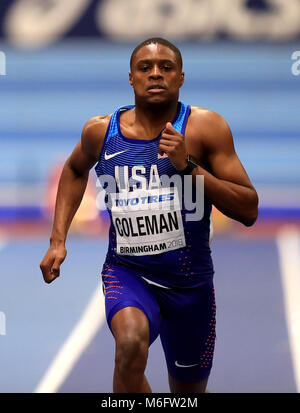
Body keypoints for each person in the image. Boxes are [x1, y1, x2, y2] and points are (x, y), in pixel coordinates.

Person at [40, 37, 258, 393]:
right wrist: (57, 240)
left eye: (165, 68)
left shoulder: (205, 128)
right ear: (131, 78)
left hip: (190, 285)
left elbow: (248, 209)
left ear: (181, 77)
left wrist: (188, 167)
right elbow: (75, 169)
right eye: (145, 68)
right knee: (128, 346)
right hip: (128, 272)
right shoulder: (100, 131)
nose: (155, 74)